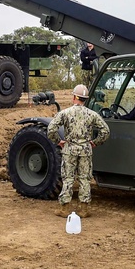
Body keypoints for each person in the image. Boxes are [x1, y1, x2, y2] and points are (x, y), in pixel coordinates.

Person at [47, 84, 110, 219]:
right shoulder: (92, 114)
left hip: (69, 149)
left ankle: (64, 209)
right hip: (85, 150)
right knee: (84, 179)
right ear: (85, 99)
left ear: (75, 97)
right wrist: (95, 142)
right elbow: (106, 131)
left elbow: (51, 129)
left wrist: (59, 141)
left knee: (68, 178)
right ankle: (84, 209)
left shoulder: (65, 113)